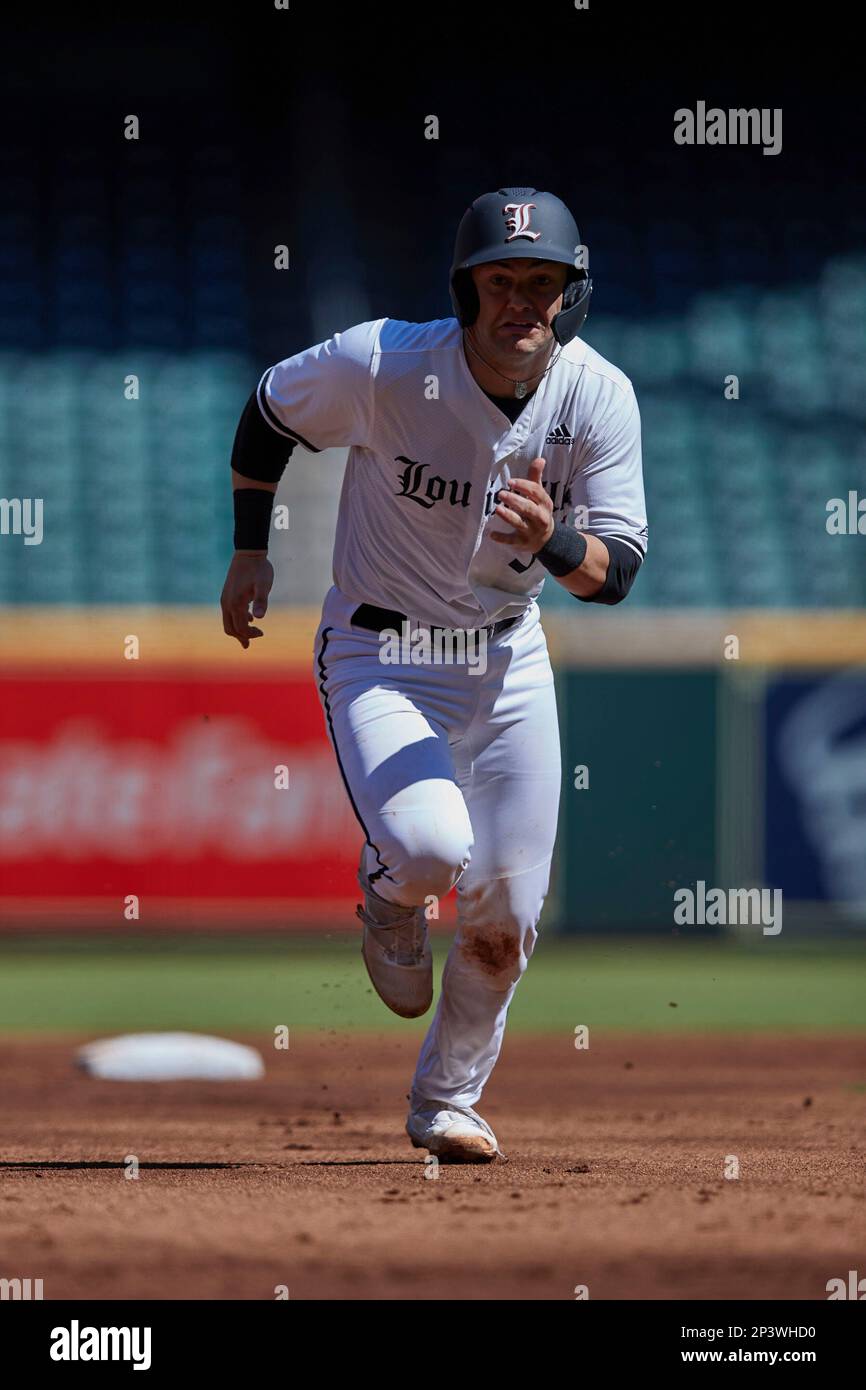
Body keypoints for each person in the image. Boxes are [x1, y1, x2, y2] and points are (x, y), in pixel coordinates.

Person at [220, 187, 648, 1162]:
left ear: (571, 295)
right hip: (382, 650)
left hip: (506, 656)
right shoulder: (384, 363)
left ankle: (446, 1099)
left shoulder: (598, 396)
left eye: (541, 283)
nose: (520, 303)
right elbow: (268, 410)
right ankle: (387, 896)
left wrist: (554, 539)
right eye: (500, 281)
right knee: (426, 850)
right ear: (463, 290)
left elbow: (613, 576)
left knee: (502, 916)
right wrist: (251, 551)